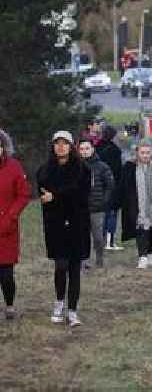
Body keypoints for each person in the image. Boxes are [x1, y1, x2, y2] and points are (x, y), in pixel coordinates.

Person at [37, 131, 91, 327]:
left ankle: (73, 310)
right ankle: (59, 302)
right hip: (55, 225)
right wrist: (57, 199)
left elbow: (81, 195)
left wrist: (57, 197)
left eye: (65, 143)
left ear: (71, 146)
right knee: (61, 266)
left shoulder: (82, 169)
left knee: (75, 268)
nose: (61, 147)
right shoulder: (44, 170)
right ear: (53, 146)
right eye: (57, 143)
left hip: (77, 224)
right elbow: (44, 196)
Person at [114, 138, 152, 269]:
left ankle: (149, 254)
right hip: (136, 204)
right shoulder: (129, 166)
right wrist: (116, 202)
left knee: (150, 229)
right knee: (141, 229)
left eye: (147, 153)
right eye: (142, 152)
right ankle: (142, 257)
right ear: (137, 152)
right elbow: (123, 186)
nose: (145, 155)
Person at [0, 129, 31, 320]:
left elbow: (23, 195)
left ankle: (9, 305)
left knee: (6, 273)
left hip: (7, 229)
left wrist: (11, 216)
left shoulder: (14, 166)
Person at [78, 138, 114, 269]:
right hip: (80, 208)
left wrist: (104, 201)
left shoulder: (102, 167)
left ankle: (99, 259)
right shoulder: (75, 167)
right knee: (81, 237)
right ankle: (83, 261)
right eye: (82, 149)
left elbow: (110, 186)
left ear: (92, 149)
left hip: (97, 208)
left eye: (87, 148)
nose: (84, 151)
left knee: (98, 237)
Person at [96, 125, 123, 251]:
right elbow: (118, 171)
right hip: (112, 186)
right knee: (111, 214)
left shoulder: (95, 148)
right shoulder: (115, 150)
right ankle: (109, 242)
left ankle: (99, 240)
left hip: (97, 187)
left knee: (100, 215)